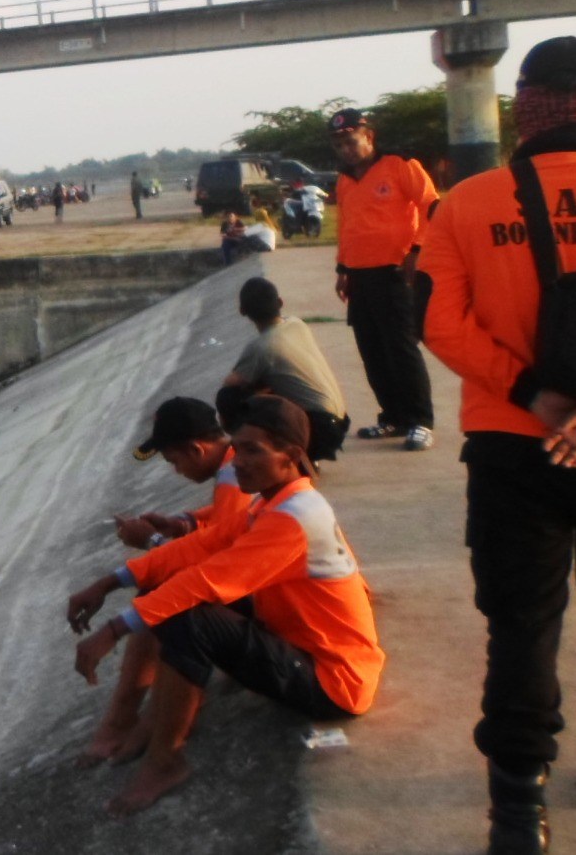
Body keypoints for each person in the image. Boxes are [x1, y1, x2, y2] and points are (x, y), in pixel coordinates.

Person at [69, 395, 384, 817]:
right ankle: (151, 722)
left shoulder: (295, 516)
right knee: (171, 601)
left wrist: (112, 630)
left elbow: (208, 578)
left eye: (253, 450)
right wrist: (110, 581)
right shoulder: (272, 502)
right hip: (300, 642)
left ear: (290, 456)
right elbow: (206, 543)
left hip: (332, 681)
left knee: (188, 618)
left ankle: (165, 761)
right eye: (239, 448)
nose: (237, 461)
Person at [417, 36, 576, 854]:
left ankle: (518, 813)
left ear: (523, 104)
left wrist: (531, 394)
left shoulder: (467, 204)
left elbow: (436, 321)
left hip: (515, 446)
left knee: (521, 625)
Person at [79, 399, 249, 767]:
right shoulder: (234, 467)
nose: (175, 471)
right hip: (255, 587)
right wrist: (183, 523)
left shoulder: (236, 476)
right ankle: (132, 716)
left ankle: (127, 719)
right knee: (164, 588)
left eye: (174, 462)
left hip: (270, 606)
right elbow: (228, 528)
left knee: (166, 594)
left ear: (195, 449)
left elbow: (222, 565)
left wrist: (151, 543)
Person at [330, 106, 440, 450]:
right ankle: (392, 417)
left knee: (401, 348)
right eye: (340, 144)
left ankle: (420, 420)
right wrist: (343, 269)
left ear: (368, 137)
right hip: (360, 277)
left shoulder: (399, 165)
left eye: (352, 140)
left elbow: (431, 206)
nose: (347, 148)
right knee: (372, 349)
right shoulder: (345, 180)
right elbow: (347, 228)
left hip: (394, 273)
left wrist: (417, 249)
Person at [217, 277, 350, 462]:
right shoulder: (297, 324)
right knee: (266, 386)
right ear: (280, 302)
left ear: (242, 311)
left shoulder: (261, 347)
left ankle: (256, 451)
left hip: (320, 429)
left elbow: (229, 386)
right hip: (340, 423)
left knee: (229, 398)